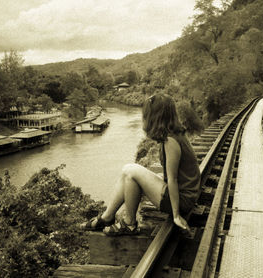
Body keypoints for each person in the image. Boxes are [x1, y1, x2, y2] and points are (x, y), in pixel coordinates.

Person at [82, 93, 201, 236]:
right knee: (128, 173)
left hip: (182, 202)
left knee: (130, 171)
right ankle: (107, 217)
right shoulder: (174, 134)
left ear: (154, 117)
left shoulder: (171, 141)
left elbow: (173, 179)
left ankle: (128, 223)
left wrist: (176, 215)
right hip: (183, 196)